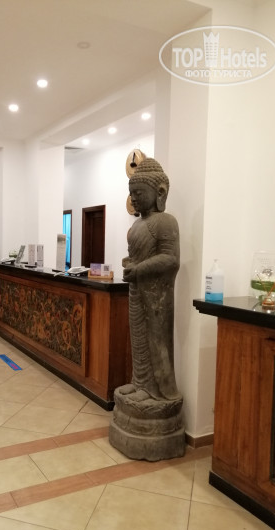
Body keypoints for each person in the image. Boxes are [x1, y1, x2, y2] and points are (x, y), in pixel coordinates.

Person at [119, 157, 181, 403]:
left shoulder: (166, 222)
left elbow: (170, 259)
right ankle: (140, 382)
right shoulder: (137, 225)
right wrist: (130, 263)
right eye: (131, 193)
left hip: (157, 295)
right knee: (138, 338)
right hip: (137, 289)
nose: (133, 198)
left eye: (138, 193)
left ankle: (156, 389)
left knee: (156, 340)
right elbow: (138, 255)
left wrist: (139, 269)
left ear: (160, 192)